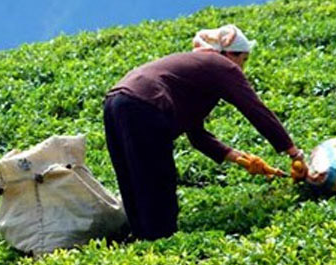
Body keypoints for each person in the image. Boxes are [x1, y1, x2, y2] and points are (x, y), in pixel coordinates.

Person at [104, 24, 311, 241]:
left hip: (114, 103)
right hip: (145, 105)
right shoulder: (221, 65)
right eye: (243, 60)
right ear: (230, 54)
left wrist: (243, 160)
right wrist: (293, 153)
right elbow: (255, 110)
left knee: (132, 177)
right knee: (158, 179)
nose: (242, 68)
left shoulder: (198, 69)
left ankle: (142, 239)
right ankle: (160, 242)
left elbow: (197, 136)